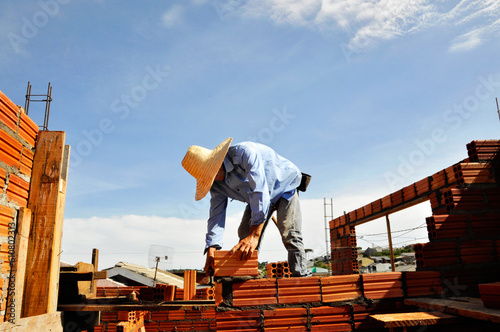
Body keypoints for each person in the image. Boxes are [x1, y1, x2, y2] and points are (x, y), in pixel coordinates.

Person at [182, 137, 308, 277]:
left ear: (217, 163)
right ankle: (249, 275)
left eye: (212, 174)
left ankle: (301, 277)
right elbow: (216, 216)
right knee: (244, 234)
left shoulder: (243, 153)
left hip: (284, 185)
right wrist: (212, 249)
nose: (214, 179)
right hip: (257, 197)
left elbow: (260, 191)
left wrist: (254, 235)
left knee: (289, 232)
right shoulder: (216, 186)